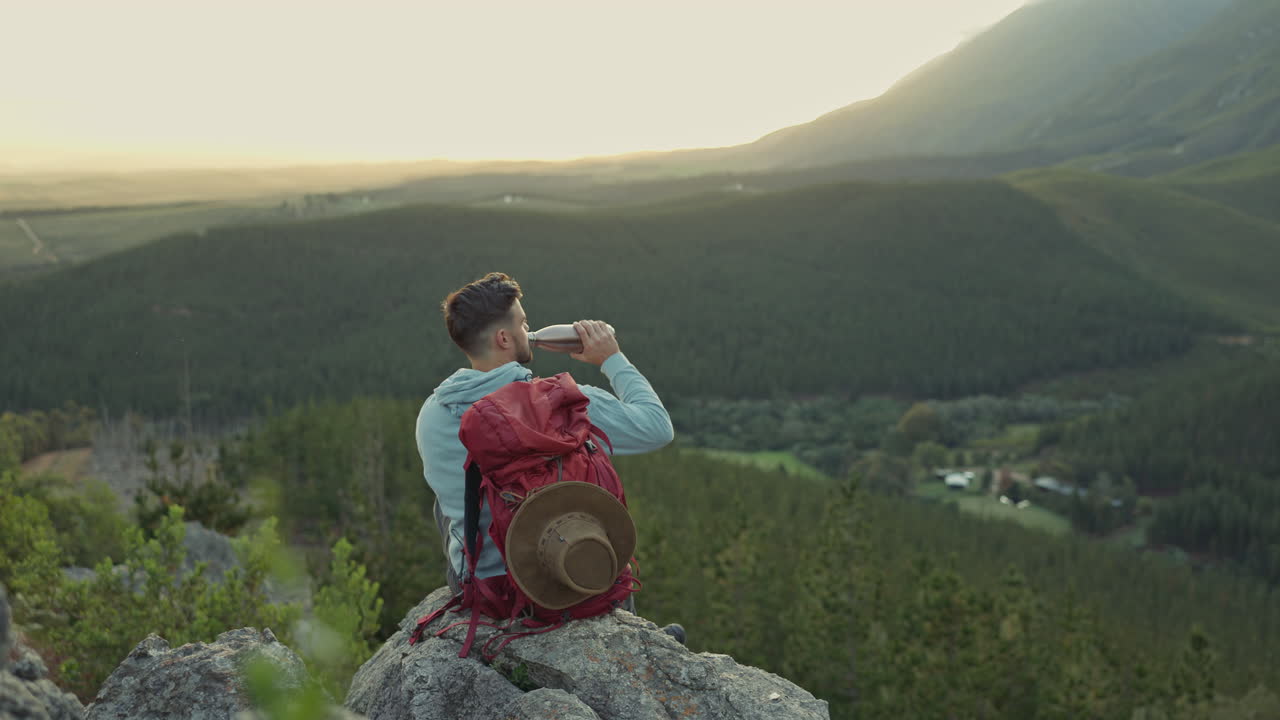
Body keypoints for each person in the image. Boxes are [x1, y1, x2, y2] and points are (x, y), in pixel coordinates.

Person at [415, 272, 677, 632]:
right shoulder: (561, 402)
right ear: (504, 338)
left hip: (484, 588)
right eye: (524, 324)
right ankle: (630, 634)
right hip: (558, 580)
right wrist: (611, 358)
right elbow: (658, 428)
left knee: (453, 498)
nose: (529, 331)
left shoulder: (432, 412)